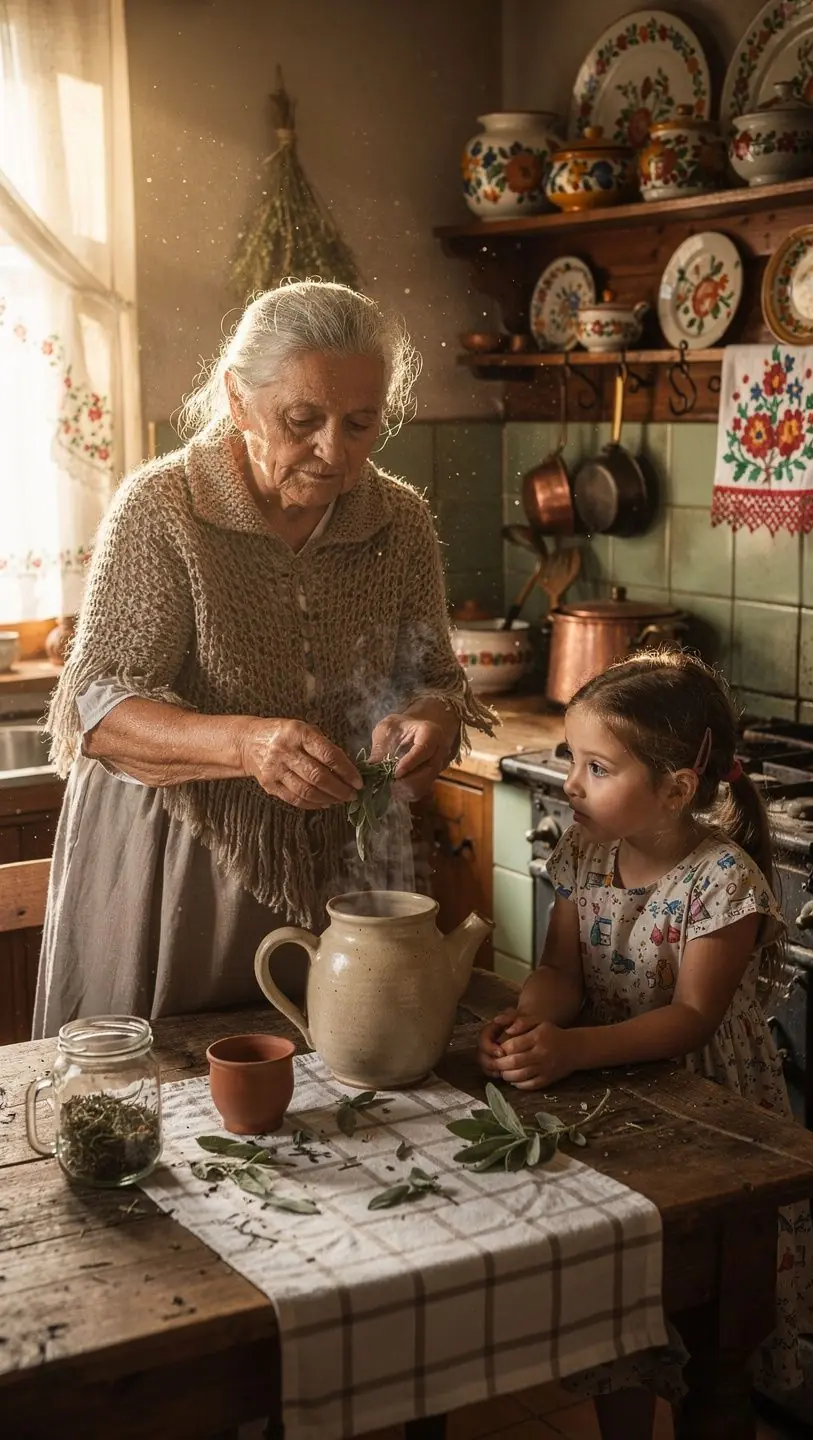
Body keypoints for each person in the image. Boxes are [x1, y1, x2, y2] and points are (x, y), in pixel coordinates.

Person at [34, 279, 494, 1037]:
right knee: (171, 1095)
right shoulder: (163, 510)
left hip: (337, 864)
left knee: (342, 1097)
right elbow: (99, 712)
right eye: (303, 419)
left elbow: (438, 681)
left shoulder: (399, 521)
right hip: (180, 865)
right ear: (239, 400)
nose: (333, 452)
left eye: (361, 423)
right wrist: (246, 745)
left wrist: (433, 720)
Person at [477, 647, 813, 1439]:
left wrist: (570, 1051)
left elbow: (692, 1018)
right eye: (572, 759)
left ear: (675, 789)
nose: (571, 783)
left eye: (598, 767)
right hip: (614, 1106)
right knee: (617, 1306)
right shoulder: (586, 851)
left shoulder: (720, 881)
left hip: (705, 1113)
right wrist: (536, 1017)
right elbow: (561, 969)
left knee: (707, 1312)